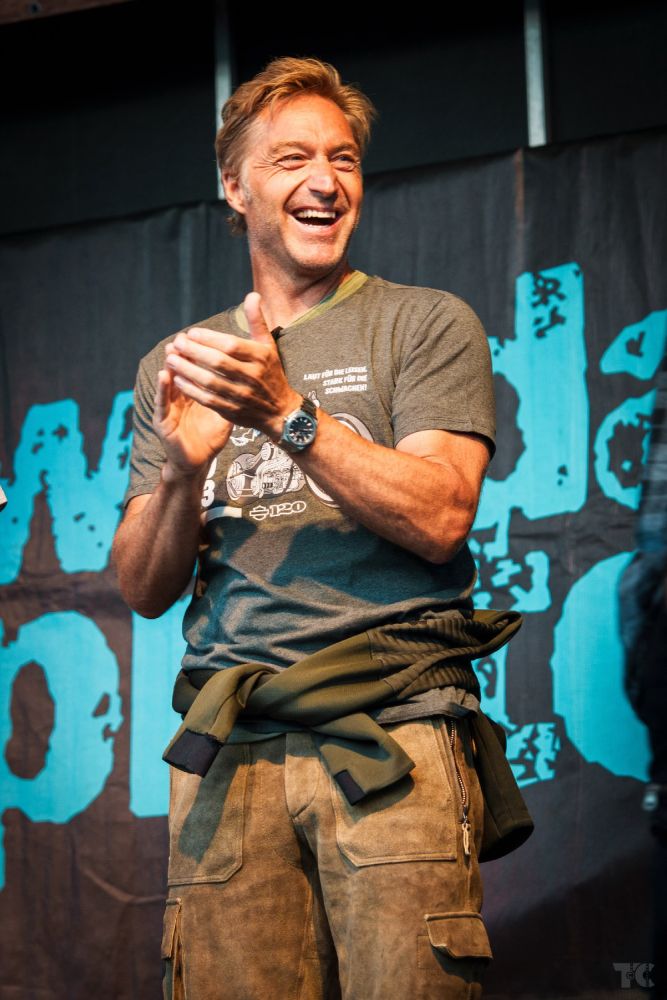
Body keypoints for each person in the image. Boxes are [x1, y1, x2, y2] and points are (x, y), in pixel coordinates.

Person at [113, 56, 527, 999]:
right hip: (228, 751)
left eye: (342, 158)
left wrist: (286, 414)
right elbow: (140, 587)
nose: (325, 181)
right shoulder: (178, 362)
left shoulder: (424, 323)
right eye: (292, 158)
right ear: (234, 186)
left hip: (392, 733)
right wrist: (180, 472)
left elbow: (440, 515)